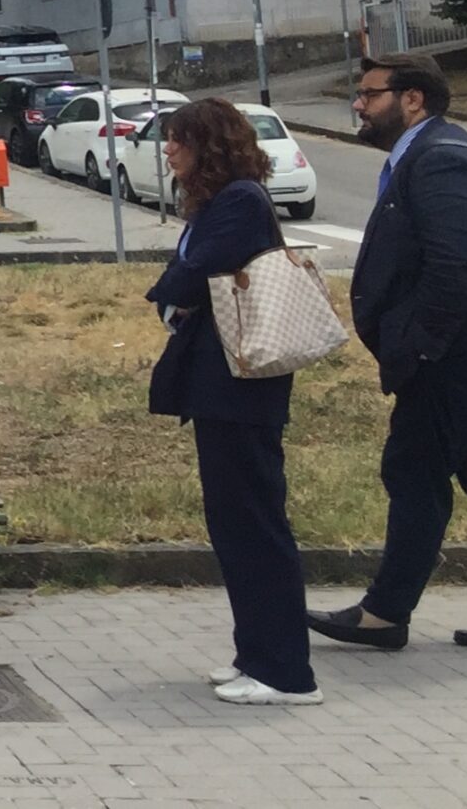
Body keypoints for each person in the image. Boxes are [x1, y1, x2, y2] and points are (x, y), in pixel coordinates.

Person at [310, 52, 467, 656]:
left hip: (461, 350)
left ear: (412, 100)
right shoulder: (432, 154)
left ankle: (385, 614)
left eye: (369, 94)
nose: (358, 105)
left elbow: (453, 268)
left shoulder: (441, 163)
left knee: (413, 470)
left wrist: (419, 348)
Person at [138, 99, 318, 705]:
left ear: (207, 145)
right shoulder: (220, 202)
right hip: (223, 386)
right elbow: (187, 275)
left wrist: (173, 292)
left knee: (256, 524)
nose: (168, 151)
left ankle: (287, 673)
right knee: (234, 524)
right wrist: (175, 293)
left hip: (244, 386)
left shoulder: (241, 200)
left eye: (177, 140)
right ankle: (255, 654)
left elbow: (194, 273)